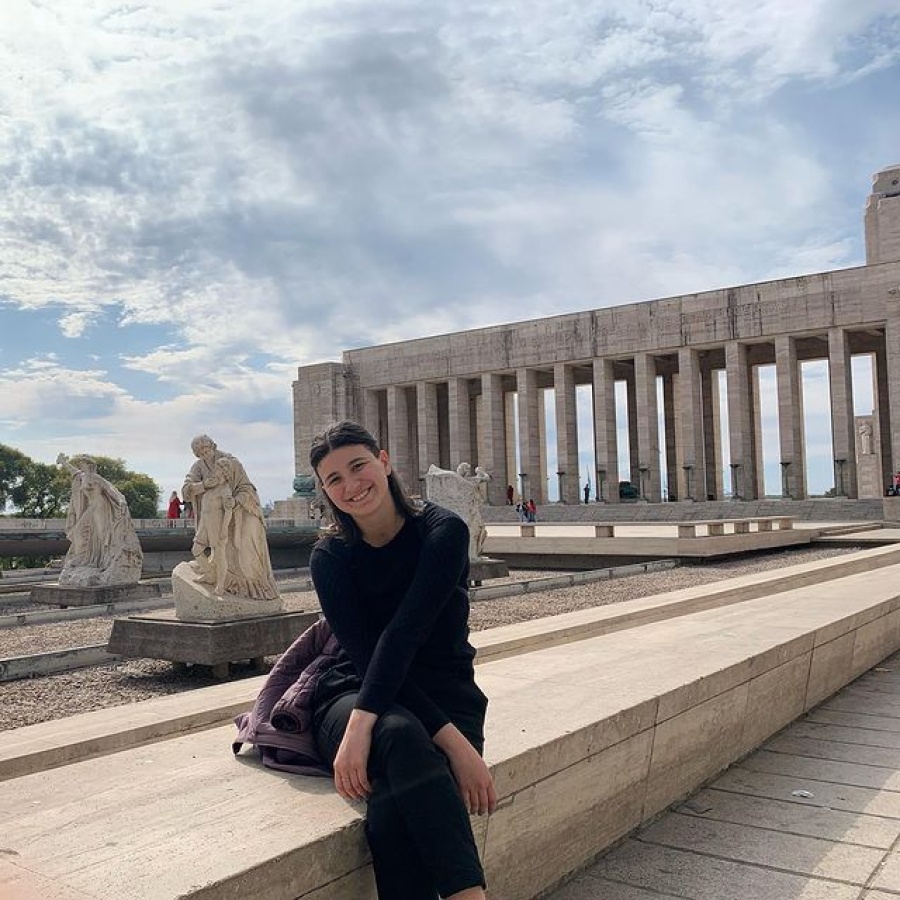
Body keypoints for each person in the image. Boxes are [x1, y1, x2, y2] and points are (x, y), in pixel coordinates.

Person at [308, 420, 496, 900]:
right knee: (399, 733)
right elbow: (369, 656)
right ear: (325, 491)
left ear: (384, 461)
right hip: (353, 692)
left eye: (358, 466)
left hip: (443, 694)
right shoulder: (330, 556)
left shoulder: (443, 531)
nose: (351, 485)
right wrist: (452, 745)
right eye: (334, 479)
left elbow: (404, 635)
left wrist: (454, 740)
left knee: (395, 803)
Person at [181, 434, 278, 600]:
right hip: (212, 516)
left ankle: (251, 585)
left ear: (213, 446)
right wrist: (203, 485)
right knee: (200, 548)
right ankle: (212, 573)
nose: (205, 454)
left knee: (247, 535)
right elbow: (186, 490)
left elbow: (246, 488)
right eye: (200, 453)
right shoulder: (198, 466)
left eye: (207, 450)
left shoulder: (230, 462)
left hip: (242, 509)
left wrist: (235, 502)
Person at [55, 453, 142, 586]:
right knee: (78, 532)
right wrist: (64, 462)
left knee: (103, 534)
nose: (80, 464)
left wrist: (121, 501)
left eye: (83, 463)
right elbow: (73, 472)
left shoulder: (96, 478)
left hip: (101, 506)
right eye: (80, 463)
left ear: (89, 465)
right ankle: (83, 559)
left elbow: (110, 489)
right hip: (91, 507)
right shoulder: (82, 477)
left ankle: (106, 560)